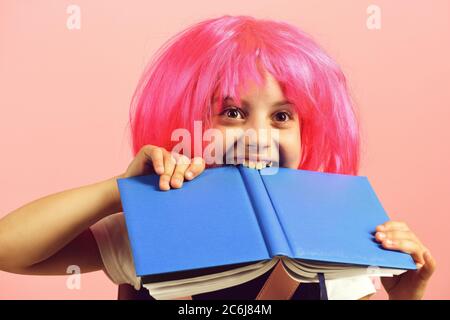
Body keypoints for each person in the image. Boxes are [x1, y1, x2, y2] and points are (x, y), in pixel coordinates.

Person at [0, 15, 435, 300]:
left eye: (282, 116)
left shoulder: (337, 242)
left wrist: (407, 297)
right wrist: (121, 191)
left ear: (311, 132)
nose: (258, 135)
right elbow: (10, 250)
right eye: (231, 113)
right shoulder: (149, 226)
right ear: (186, 120)